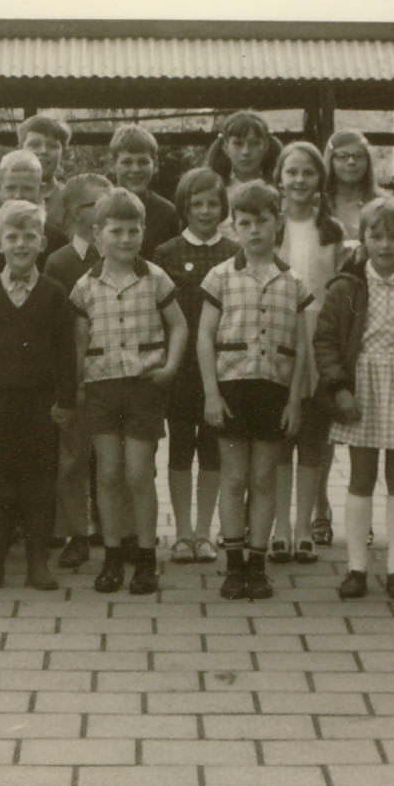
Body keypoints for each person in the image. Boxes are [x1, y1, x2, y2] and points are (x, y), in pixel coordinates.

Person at [198, 179, 313, 602]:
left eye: (262, 221)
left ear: (278, 222)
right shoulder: (220, 277)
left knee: (264, 477)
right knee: (233, 476)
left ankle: (257, 564)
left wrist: (295, 400)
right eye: (244, 223)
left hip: (273, 392)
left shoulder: (294, 282)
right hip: (232, 388)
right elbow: (204, 338)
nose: (254, 230)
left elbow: (301, 349)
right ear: (234, 227)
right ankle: (233, 565)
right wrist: (212, 394)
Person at [317, 199, 394, 600]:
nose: (385, 245)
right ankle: (356, 567)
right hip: (362, 381)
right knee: (362, 475)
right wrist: (340, 387)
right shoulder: (347, 287)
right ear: (363, 239)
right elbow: (328, 341)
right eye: (376, 236)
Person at [70, 189, 187, 595]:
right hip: (102, 387)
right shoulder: (84, 287)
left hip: (142, 386)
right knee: (109, 472)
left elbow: (180, 325)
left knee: (138, 473)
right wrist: (76, 385)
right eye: (115, 231)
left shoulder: (155, 279)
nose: (125, 239)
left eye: (132, 230)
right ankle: (113, 557)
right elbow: (79, 342)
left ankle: (146, 557)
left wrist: (170, 366)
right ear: (97, 235)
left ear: (143, 232)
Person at [0, 200, 78, 592]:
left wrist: (65, 401)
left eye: (30, 236)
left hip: (40, 403)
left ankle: (36, 562)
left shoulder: (54, 293)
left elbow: (65, 353)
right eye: (13, 237)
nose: (21, 244)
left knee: (40, 482)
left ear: (42, 242)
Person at [152, 167, 238, 567]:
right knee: (180, 449)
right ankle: (182, 533)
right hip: (182, 369)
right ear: (184, 207)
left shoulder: (234, 252)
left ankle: (206, 532)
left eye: (212, 203)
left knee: (214, 450)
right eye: (196, 204)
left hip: (222, 368)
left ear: (223, 207)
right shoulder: (167, 253)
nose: (205, 211)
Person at [271, 140, 345, 566]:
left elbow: (342, 294)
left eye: (308, 173)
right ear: (279, 176)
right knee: (281, 433)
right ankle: (280, 527)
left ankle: (305, 527)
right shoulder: (270, 225)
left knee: (314, 435)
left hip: (319, 339)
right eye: (292, 171)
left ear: (320, 179)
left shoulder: (332, 231)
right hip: (277, 335)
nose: (299, 180)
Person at [44, 172, 109, 570]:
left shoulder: (121, 252)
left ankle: (115, 527)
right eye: (94, 205)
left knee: (111, 457)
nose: (103, 211)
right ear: (74, 213)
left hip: (117, 371)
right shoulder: (60, 261)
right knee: (71, 458)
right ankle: (76, 533)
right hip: (76, 373)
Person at [0, 148, 67, 278]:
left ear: (41, 190)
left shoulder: (57, 240)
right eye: (11, 188)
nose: (18, 195)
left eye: (27, 188)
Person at [109, 123, 181, 256]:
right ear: (113, 164)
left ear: (155, 164)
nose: (135, 169)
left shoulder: (168, 213)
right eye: (127, 162)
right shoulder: (99, 207)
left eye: (143, 162)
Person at [324, 129, 379, 240]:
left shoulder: (381, 202)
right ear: (331, 161)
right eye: (342, 156)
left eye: (358, 156)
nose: (351, 162)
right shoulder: (319, 202)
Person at [207, 110, 279, 190]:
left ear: (266, 146)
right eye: (238, 144)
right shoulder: (215, 191)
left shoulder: (278, 188)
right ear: (225, 147)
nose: (246, 152)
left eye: (254, 143)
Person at [18, 113, 73, 193]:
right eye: (34, 145)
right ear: (20, 150)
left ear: (63, 153)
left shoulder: (71, 199)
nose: (43, 151)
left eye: (52, 146)